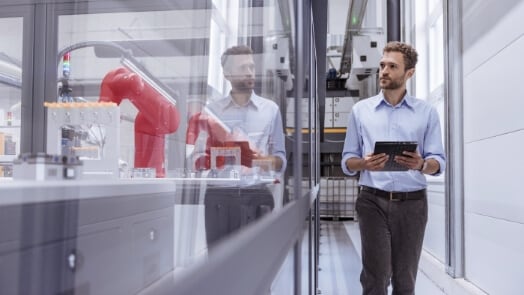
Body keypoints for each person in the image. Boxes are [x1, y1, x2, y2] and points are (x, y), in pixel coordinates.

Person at [340, 41, 446, 295]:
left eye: (392, 66)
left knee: (405, 279)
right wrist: (364, 163)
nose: (384, 71)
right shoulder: (360, 111)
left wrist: (421, 164)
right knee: (375, 278)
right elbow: (347, 161)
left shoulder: (427, 113)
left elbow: (438, 163)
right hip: (372, 200)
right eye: (382, 65)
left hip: (413, 205)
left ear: (409, 73)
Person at [186, 45, 287, 248]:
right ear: (227, 74)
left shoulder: (271, 110)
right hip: (220, 198)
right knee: (219, 263)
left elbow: (281, 161)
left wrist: (257, 159)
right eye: (243, 68)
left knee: (259, 264)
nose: (250, 72)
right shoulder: (211, 112)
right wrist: (219, 156)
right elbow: (194, 161)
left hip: (258, 195)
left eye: (251, 66)